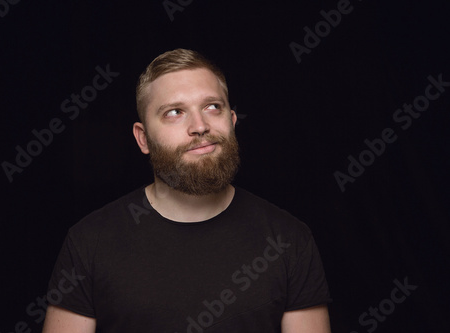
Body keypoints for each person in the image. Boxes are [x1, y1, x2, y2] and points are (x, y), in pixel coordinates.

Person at [42, 48, 332, 333]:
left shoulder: (289, 240)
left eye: (212, 107)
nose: (200, 126)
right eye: (175, 112)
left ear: (231, 122)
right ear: (143, 139)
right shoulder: (89, 242)